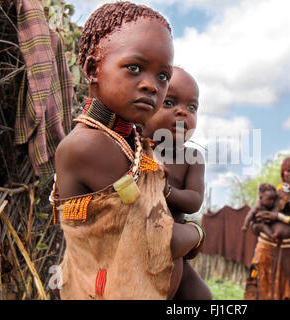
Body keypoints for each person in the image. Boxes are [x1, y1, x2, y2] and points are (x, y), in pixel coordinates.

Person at [51, 2, 203, 300]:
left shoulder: (130, 139)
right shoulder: (90, 145)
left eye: (163, 76)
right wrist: (198, 234)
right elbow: (158, 241)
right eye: (134, 68)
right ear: (93, 69)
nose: (151, 86)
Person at [142, 66, 212, 299]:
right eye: (169, 103)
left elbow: (194, 201)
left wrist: (166, 191)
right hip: (137, 236)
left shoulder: (191, 157)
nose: (183, 113)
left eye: (192, 107)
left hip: (176, 239)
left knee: (201, 296)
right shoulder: (134, 148)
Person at [248, 157, 290, 300]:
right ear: (282, 173)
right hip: (265, 249)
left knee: (288, 289)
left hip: (288, 251)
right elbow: (254, 223)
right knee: (261, 286)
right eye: (289, 170)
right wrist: (259, 223)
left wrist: (278, 216)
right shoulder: (272, 193)